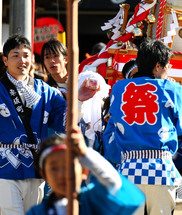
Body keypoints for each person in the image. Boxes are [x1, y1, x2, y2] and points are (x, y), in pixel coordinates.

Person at [105, 39, 182, 215]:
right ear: (158, 66)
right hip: (161, 170)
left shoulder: (119, 88)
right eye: (168, 66)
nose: (169, 70)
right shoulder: (174, 89)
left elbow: (112, 127)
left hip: (127, 170)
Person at [0, 34, 66, 214]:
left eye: (26, 55)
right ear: (5, 60)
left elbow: (65, 121)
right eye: (15, 55)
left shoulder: (45, 90)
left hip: (35, 168)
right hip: (4, 167)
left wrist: (80, 101)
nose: (22, 60)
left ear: (32, 59)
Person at [26, 128, 145, 215]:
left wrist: (85, 153)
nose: (63, 174)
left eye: (69, 165)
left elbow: (118, 188)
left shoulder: (95, 200)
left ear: (84, 171)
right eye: (54, 168)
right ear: (44, 175)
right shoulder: (37, 212)